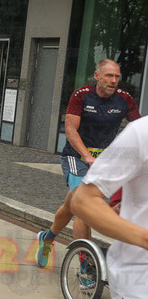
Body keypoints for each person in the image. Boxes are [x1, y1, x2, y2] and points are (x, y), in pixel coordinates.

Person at [36, 59, 140, 268]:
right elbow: (70, 130)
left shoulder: (124, 99)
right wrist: (87, 156)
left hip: (104, 161)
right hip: (76, 157)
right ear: (97, 76)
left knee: (70, 206)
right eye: (109, 76)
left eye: (117, 76)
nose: (113, 80)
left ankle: (47, 238)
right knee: (84, 207)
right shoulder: (81, 95)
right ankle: (85, 268)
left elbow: (139, 129)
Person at [71, 116, 148, 299]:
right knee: (68, 205)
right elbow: (83, 201)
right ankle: (54, 241)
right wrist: (144, 238)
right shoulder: (141, 133)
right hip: (140, 292)